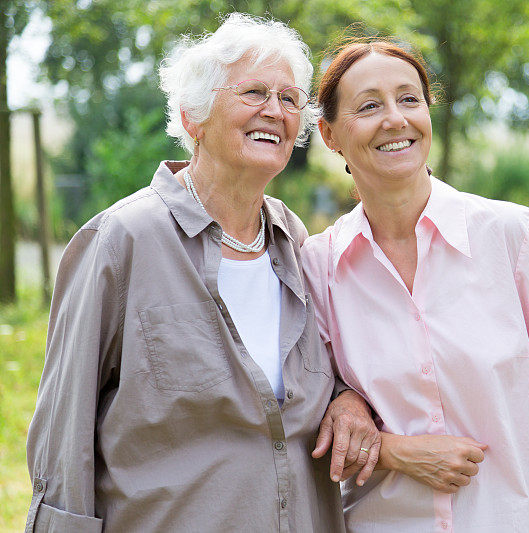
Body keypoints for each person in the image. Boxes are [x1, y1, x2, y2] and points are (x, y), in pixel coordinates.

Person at [25, 14, 379, 532]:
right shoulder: (122, 240)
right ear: (194, 116)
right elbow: (65, 431)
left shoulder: (294, 240)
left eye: (288, 98)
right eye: (254, 91)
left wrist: (348, 401)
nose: (275, 111)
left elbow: (315, 377)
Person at [301, 41, 529, 532]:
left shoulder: (510, 234)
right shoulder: (319, 265)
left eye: (409, 99)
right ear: (329, 134)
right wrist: (397, 450)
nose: (395, 119)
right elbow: (310, 415)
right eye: (370, 105)